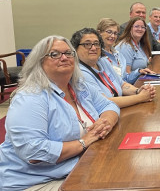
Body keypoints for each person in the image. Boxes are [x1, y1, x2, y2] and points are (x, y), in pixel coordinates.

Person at [0, 36, 120, 190]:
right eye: (54, 54)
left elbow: (109, 105)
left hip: (76, 167)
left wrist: (105, 123)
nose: (64, 58)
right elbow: (34, 152)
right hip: (35, 181)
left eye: (68, 53)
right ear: (39, 62)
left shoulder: (78, 86)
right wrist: (84, 142)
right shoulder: (30, 97)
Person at [71, 28, 156, 108]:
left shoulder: (103, 61)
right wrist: (140, 97)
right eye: (87, 44)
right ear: (75, 48)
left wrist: (138, 91)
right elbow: (105, 102)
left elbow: (122, 85)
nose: (93, 48)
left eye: (96, 44)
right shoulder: (80, 73)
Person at [97, 18, 143, 84]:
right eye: (109, 32)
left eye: (115, 33)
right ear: (99, 33)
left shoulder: (118, 55)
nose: (113, 36)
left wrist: (139, 72)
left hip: (125, 89)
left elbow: (125, 79)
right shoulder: (97, 56)